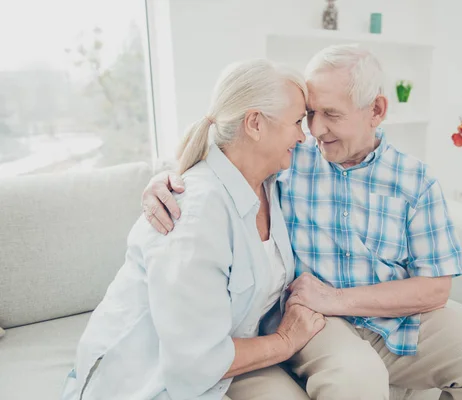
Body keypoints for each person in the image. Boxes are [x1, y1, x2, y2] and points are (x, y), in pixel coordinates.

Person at [143, 45, 462, 400]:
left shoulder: (416, 181)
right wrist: (166, 182)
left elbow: (435, 289)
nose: (315, 129)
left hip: (393, 318)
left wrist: (340, 298)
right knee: (357, 380)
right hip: (314, 319)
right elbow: (228, 154)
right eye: (310, 113)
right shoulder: (290, 158)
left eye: (332, 115)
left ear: (376, 111)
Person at [62, 59, 326, 400]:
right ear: (255, 124)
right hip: (145, 381)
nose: (304, 137)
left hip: (223, 365)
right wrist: (286, 341)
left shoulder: (271, 182)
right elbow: (197, 361)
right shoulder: (195, 213)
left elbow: (354, 144)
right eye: (297, 122)